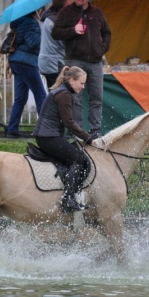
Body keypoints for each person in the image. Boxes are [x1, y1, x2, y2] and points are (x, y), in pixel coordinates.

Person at [33, 66, 98, 213]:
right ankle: (68, 199)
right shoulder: (64, 94)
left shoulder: (63, 91)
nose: (83, 87)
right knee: (79, 160)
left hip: (47, 135)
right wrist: (88, 137)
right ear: (71, 80)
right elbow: (69, 123)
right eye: (81, 83)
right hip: (48, 137)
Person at [51, 0, 111, 137]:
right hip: (75, 60)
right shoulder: (66, 12)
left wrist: (102, 49)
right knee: (75, 98)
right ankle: (76, 131)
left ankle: (95, 131)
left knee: (97, 97)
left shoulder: (97, 12)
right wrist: (73, 30)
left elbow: (107, 33)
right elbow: (55, 33)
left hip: (95, 62)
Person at [6, 11, 47, 139]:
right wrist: (44, 36)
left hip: (16, 60)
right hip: (26, 62)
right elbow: (33, 43)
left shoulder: (19, 22)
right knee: (40, 94)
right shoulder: (31, 23)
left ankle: (12, 128)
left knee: (21, 96)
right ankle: (45, 128)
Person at [38, 0, 70, 88]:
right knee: (59, 94)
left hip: (47, 61)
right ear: (62, 6)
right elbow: (64, 40)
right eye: (68, 5)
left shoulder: (48, 18)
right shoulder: (56, 21)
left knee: (54, 92)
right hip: (55, 62)